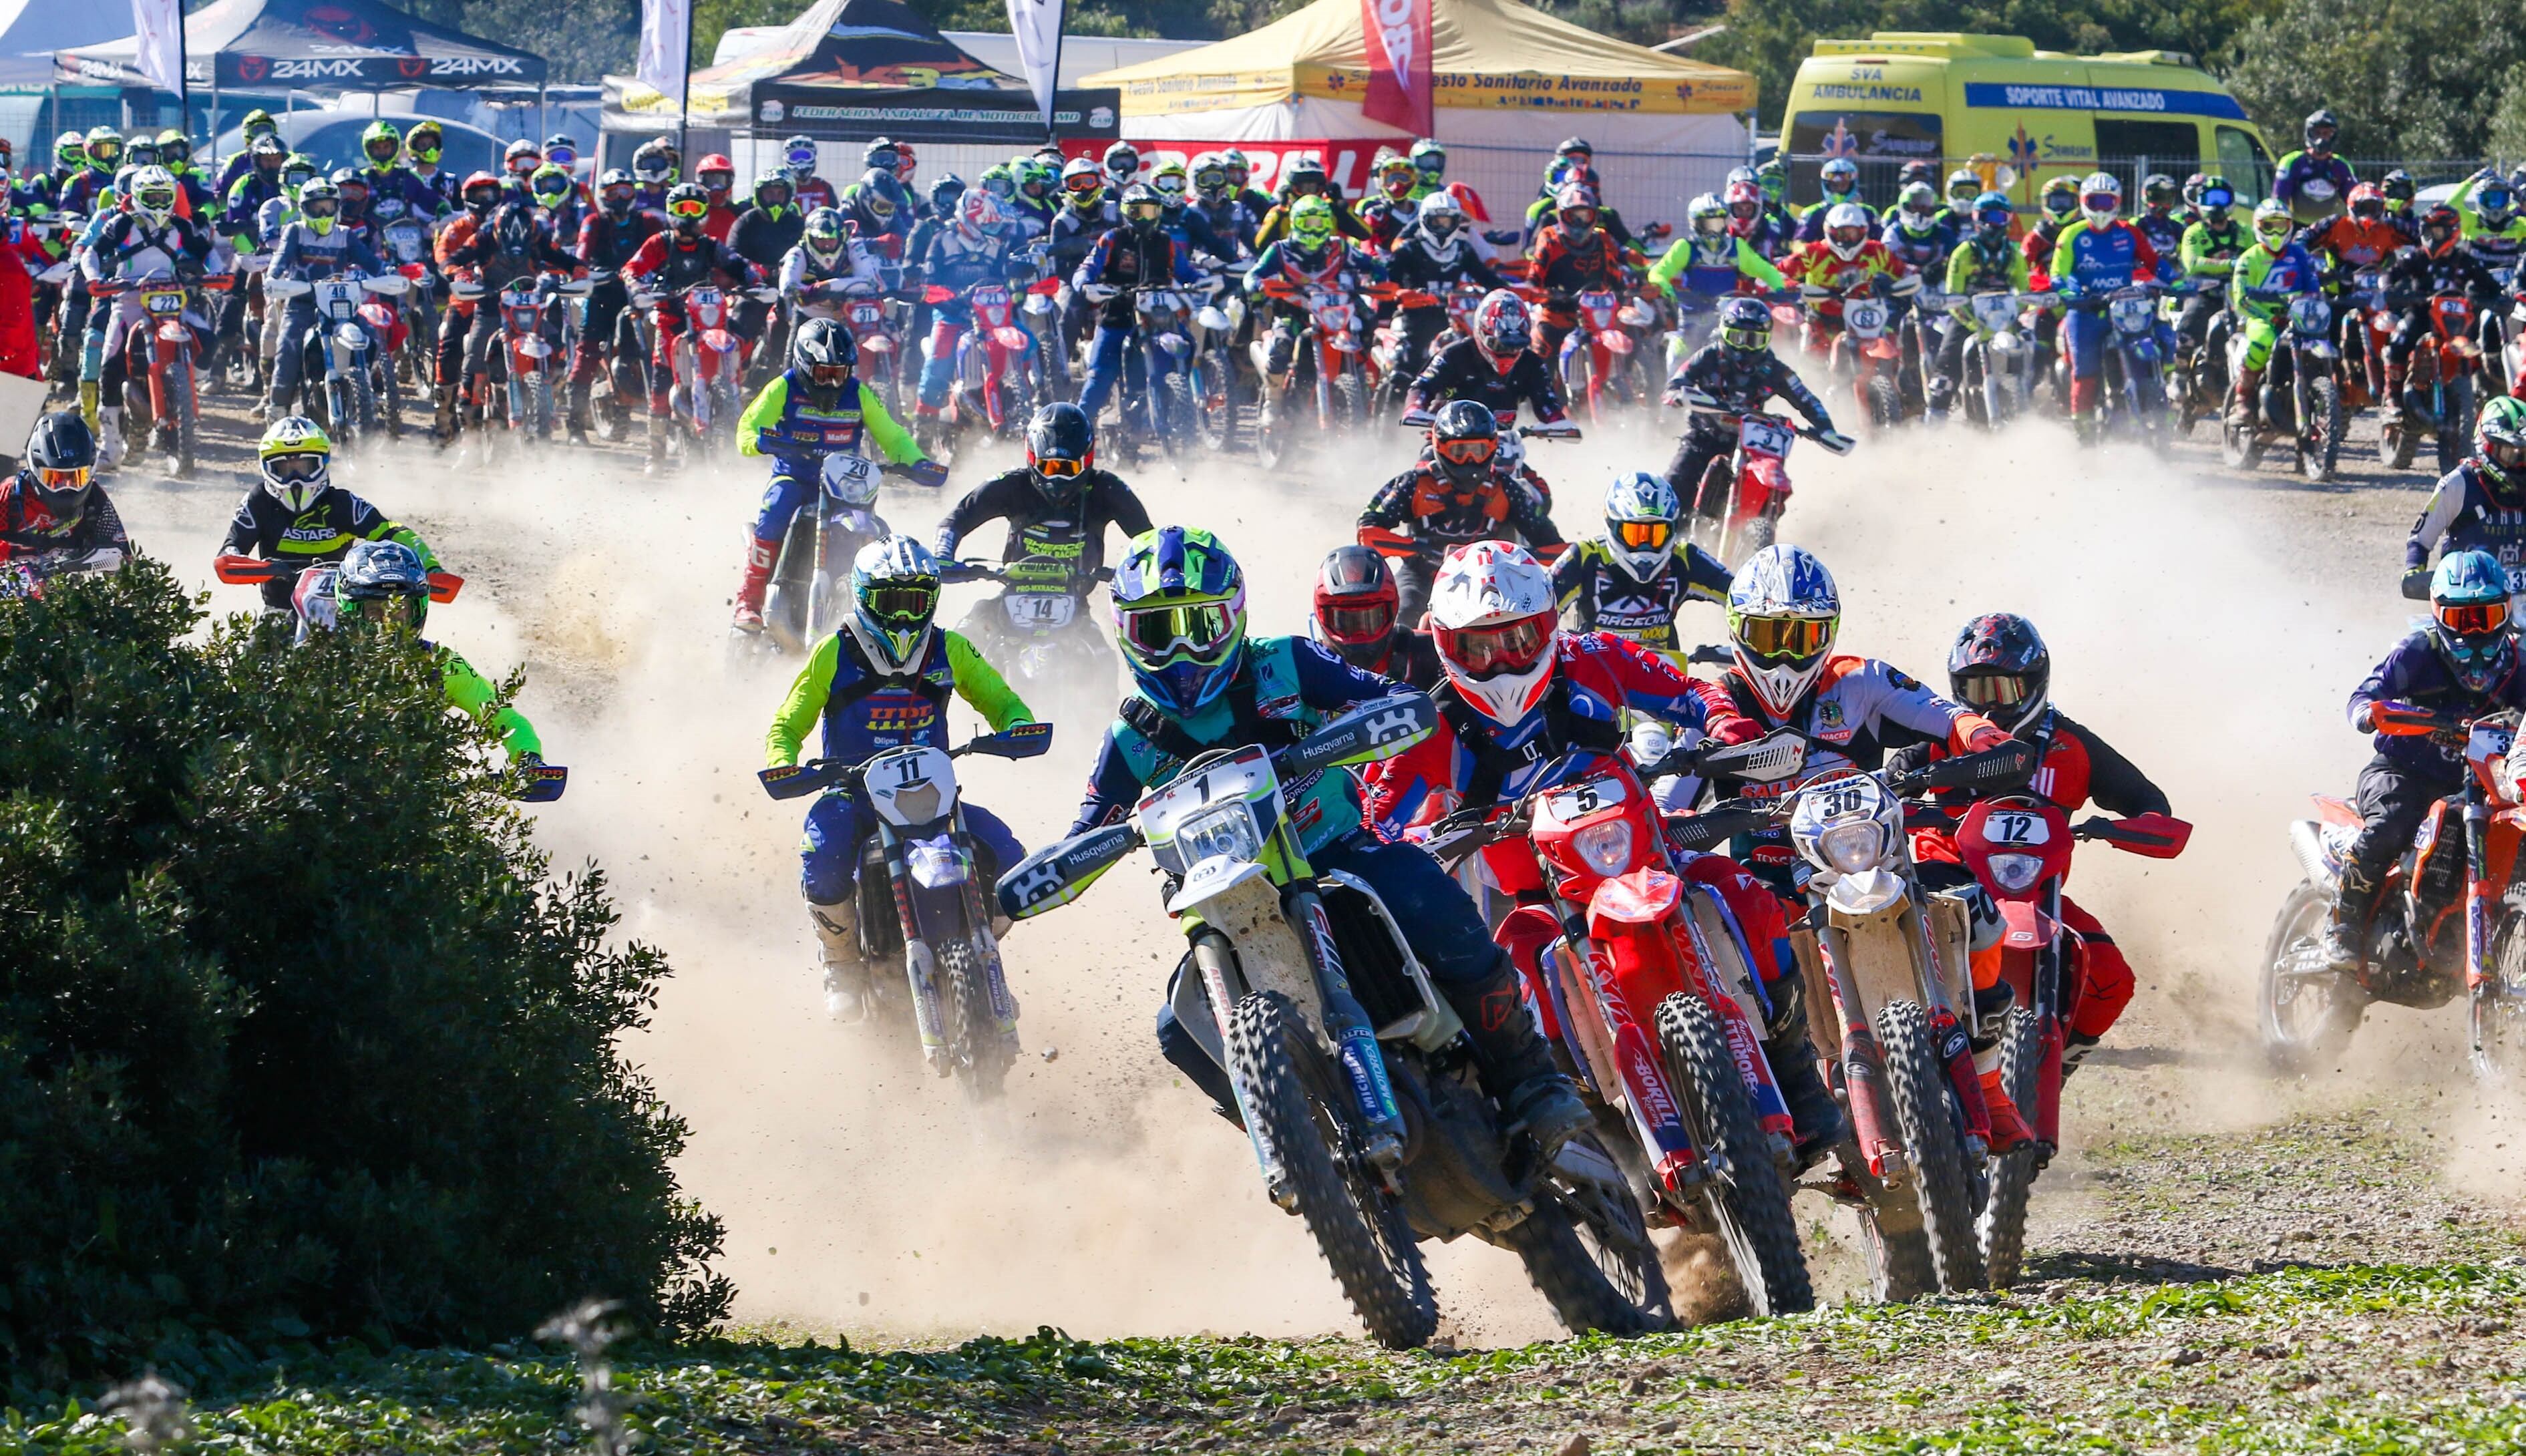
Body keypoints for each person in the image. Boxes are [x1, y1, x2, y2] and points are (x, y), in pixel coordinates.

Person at [1068, 526, 1592, 1149]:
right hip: (1224, 906)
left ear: (1232, 616)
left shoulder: (1285, 660)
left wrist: (1351, 733)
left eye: (1200, 626)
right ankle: (1307, 1148)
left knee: (1424, 893)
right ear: (1129, 635)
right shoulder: (1131, 739)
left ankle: (1531, 1075)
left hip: (1336, 849)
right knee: (1177, 1030)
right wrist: (1058, 865)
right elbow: (1089, 825)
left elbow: (1392, 697)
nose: (1183, 650)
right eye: (1160, 630)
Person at [1360, 540, 1849, 1165]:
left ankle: (1798, 1078)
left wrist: (1729, 735)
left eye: (1516, 639)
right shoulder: (1434, 724)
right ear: (1445, 646)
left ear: (1547, 626)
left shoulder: (1594, 656)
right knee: (1510, 986)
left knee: (1744, 894)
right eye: (1477, 647)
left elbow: (1693, 693)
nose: (1501, 661)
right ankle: (1605, 1141)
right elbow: (1378, 817)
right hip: (1540, 899)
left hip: (1652, 855)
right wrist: (1412, 846)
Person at [1692, 545, 2034, 1147]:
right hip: (1765, 871)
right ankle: (1758, 1114)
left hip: (1869, 852)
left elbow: (1942, 714)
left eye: (1803, 636)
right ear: (1739, 631)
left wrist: (1982, 737)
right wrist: (1679, 818)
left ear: (1829, 633)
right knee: (1728, 966)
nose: (1785, 653)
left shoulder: (1861, 680)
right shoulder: (1712, 702)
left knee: (1979, 917)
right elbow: (1671, 790)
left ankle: (1988, 1084)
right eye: (1769, 634)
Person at [763, 536, 1033, 1018]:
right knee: (823, 863)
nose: (906, 617)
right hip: (854, 795)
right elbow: (790, 720)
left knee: (1013, 861)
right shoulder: (835, 651)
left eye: (916, 603)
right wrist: (782, 756)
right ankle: (841, 962)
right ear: (865, 599)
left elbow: (1003, 701)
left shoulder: (951, 648)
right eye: (893, 603)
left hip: (933, 799)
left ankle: (980, 958)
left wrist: (1015, 727)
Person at [1907, 612, 2173, 1072]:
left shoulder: (2072, 745)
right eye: (1976, 690)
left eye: (2003, 689)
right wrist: (1901, 798)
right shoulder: (1940, 735)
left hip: (2036, 895)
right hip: (1944, 891)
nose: (1990, 705)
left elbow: (2149, 801)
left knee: (2112, 980)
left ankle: (2055, 1069)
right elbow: (1887, 786)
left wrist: (2126, 827)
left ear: (2035, 683)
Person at [2321, 550, 2526, 970]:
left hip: (2482, 785)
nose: (2473, 632)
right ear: (2438, 614)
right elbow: (2366, 695)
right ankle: (2343, 924)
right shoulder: (2417, 651)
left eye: (2484, 617)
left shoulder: (2521, 664)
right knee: (2391, 822)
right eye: (2461, 619)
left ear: (2506, 612)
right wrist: (2367, 714)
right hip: (2402, 772)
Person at [729, 318, 942, 629]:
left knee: (879, 531)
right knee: (775, 511)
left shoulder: (860, 394)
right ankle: (749, 602)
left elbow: (893, 437)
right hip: (795, 479)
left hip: (845, 487)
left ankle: (883, 607)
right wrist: (758, 442)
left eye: (839, 374)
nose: (832, 383)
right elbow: (748, 426)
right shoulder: (784, 387)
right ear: (805, 365)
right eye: (824, 373)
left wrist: (917, 462)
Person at [295, 540, 548, 771]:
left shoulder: (442, 665)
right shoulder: (318, 663)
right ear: (350, 610)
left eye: (399, 611)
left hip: (416, 801)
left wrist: (529, 759)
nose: (388, 623)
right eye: (374, 612)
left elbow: (504, 717)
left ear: (417, 610)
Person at [932, 401, 1153, 663]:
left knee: (1107, 659)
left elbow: (1149, 541)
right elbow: (955, 520)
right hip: (1010, 596)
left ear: (1088, 460)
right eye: (1048, 467)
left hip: (1075, 607)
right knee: (955, 643)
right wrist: (943, 555)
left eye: (1067, 468)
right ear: (1031, 458)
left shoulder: (1108, 489)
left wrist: (1145, 576)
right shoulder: (1012, 485)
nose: (1057, 478)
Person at [1358, 400, 1563, 628]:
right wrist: (1418, 548)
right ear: (1439, 446)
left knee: (1519, 630)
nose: (1470, 461)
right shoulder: (1414, 482)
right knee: (1398, 624)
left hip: (1491, 583)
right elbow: (1367, 531)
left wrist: (1516, 555)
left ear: (1493, 446)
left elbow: (1557, 550)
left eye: (1478, 450)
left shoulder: (1507, 488)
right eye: (1459, 452)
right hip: (1421, 576)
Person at [216, 417, 437, 613]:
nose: (295, 478)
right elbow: (228, 556)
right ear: (267, 467)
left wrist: (431, 568)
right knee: (256, 652)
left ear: (323, 463)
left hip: (342, 609)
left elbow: (392, 532)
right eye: (284, 468)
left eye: (304, 467)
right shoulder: (259, 501)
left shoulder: (343, 503)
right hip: (280, 610)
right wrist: (270, 569)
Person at [620, 182, 766, 467]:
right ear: (671, 213)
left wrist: (756, 280)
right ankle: (656, 453)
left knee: (740, 344)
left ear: (704, 213)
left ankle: (735, 424)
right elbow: (632, 269)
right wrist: (638, 287)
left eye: (695, 208)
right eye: (682, 209)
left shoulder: (711, 246)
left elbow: (739, 265)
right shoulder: (660, 243)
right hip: (672, 318)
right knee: (661, 379)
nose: (688, 215)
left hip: (708, 317)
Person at [77, 166, 216, 461]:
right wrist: (93, 277)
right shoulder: (121, 224)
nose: (158, 204)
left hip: (172, 299)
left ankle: (189, 387)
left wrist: (218, 273)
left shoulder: (181, 226)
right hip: (129, 301)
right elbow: (92, 251)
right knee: (110, 364)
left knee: (207, 337)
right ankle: (110, 445)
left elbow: (206, 251)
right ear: (137, 196)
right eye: (150, 197)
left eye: (164, 197)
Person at [432, 177, 574, 442]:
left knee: (561, 346)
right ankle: (466, 435)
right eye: (479, 194)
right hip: (488, 306)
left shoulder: (536, 233)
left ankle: (548, 400)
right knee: (471, 360)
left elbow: (561, 256)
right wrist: (456, 274)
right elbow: (452, 257)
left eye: (490, 194)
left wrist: (578, 269)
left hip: (529, 307)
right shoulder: (480, 235)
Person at [1660, 296, 1835, 510]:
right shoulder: (1708, 356)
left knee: (1772, 491)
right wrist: (1677, 394)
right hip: (1704, 437)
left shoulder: (1774, 369)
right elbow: (1677, 382)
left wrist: (1826, 429)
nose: (1746, 348)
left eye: (1754, 340)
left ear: (1766, 340)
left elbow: (1806, 399)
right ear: (1725, 334)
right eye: (1738, 338)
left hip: (1749, 445)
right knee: (1672, 488)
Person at [1550, 470, 1731, 657]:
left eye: (1656, 534)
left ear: (1671, 530)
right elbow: (1539, 606)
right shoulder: (1585, 558)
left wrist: (1744, 649)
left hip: (1665, 679)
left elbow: (1741, 595)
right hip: (1591, 678)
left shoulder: (1684, 559)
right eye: (1635, 535)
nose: (1645, 546)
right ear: (1612, 525)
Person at [1074, 183, 1203, 441]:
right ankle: (1073, 435)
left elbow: (1188, 272)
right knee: (1100, 377)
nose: (1144, 217)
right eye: (1137, 211)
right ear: (1125, 212)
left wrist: (1204, 280)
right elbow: (1088, 266)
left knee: (1187, 343)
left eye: (1150, 211)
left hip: (1158, 318)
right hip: (1117, 316)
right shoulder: (1113, 239)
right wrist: (1085, 284)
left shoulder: (1166, 242)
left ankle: (1173, 408)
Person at [2046, 172, 2161, 433]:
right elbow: (2058, 274)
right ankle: (2084, 433)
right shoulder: (2071, 234)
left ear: (2117, 203)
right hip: (2085, 312)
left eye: (2106, 202)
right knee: (2085, 373)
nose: (2100, 208)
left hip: (2123, 310)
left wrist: (2170, 283)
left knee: (2149, 350)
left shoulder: (2129, 233)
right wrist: (2071, 295)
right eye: (2094, 201)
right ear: (2084, 202)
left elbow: (2152, 265)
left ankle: (2152, 407)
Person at [2377, 205, 2504, 430]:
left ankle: (2477, 399)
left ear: (2452, 231)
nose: (2431, 235)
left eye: (2437, 231)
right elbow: (2390, 274)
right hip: (2421, 315)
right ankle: (2392, 399)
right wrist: (2389, 289)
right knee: (2398, 342)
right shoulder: (2416, 257)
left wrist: (2502, 298)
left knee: (2479, 350)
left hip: (2457, 323)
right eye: (2428, 230)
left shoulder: (2465, 260)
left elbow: (2491, 286)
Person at [913, 191, 1034, 425]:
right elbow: (928, 282)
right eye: (993, 224)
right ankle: (923, 431)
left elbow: (1002, 278)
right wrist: (952, 298)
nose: (999, 230)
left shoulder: (996, 247)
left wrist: (1018, 285)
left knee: (1028, 342)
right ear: (974, 221)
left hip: (990, 316)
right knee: (939, 362)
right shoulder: (942, 240)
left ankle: (1025, 398)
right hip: (951, 313)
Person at [1246, 194, 1379, 390]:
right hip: (1293, 310)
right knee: (1281, 346)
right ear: (1295, 223)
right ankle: (1272, 402)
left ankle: (1361, 368)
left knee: (1369, 319)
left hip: (1336, 308)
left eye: (1319, 223)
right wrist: (1257, 285)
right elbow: (1254, 274)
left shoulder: (1340, 246)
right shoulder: (1280, 249)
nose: (1314, 229)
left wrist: (1379, 278)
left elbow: (1372, 264)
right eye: (1307, 223)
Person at [2402, 397, 2526, 601]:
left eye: (2524, 455)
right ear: (2488, 446)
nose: (2519, 463)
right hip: (2469, 606)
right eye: (2510, 454)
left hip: (2520, 605)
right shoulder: (2458, 484)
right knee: (2423, 635)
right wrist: (2414, 570)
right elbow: (2420, 540)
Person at [1401, 288, 1574, 431]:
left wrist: (1556, 420)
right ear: (1482, 333)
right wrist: (1415, 407)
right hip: (1449, 442)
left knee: (1529, 474)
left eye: (1516, 346)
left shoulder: (1532, 363)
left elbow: (1547, 400)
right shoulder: (1454, 355)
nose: (1509, 353)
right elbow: (1422, 386)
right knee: (1426, 468)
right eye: (1500, 345)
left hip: (1501, 445)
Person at [1929, 191, 2033, 419]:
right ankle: (1934, 420)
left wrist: (2021, 310)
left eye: (2000, 217)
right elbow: (1953, 295)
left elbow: (2024, 293)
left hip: (2003, 321)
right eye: (1987, 217)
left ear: (2008, 220)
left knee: (2033, 349)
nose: (1993, 224)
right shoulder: (1963, 253)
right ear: (1976, 218)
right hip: (1969, 319)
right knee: (1946, 365)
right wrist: (1971, 322)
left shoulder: (2014, 255)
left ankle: (2030, 408)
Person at [1379, 192, 1503, 381]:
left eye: (1447, 222)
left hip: (1453, 317)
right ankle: (1390, 409)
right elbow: (1391, 284)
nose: (1442, 227)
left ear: (1456, 222)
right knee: (1405, 364)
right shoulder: (1409, 249)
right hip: (1415, 316)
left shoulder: (1463, 249)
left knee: (1478, 355)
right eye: (1436, 222)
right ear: (1424, 221)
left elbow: (1487, 278)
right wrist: (1398, 295)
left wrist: (1508, 292)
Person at [0, 413, 128, 595]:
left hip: (67, 599)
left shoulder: (94, 498)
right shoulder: (9, 496)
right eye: (55, 479)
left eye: (77, 478)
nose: (66, 488)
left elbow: (122, 560)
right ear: (36, 469)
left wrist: (65, 567)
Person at [2227, 199, 2324, 430]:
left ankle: (2325, 398)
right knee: (2263, 340)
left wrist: (2313, 297)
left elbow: (2313, 284)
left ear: (2290, 226)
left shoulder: (2300, 255)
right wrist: (2268, 316)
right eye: (2270, 226)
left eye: (2281, 225)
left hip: (2298, 316)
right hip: (2261, 318)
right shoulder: (2249, 258)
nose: (2276, 232)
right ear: (2258, 227)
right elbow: (2240, 299)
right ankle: (2242, 397)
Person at [1526, 183, 1639, 360]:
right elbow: (1533, 281)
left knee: (1631, 331)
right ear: (1562, 215)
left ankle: (1634, 378)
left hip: (1597, 315)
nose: (1580, 223)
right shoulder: (1549, 238)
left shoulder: (1602, 238)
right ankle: (1543, 386)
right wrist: (1550, 295)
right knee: (1542, 347)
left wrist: (1625, 296)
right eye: (1574, 216)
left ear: (1594, 216)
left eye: (1585, 216)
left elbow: (1616, 276)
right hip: (1558, 313)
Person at [1309, 543, 1439, 687]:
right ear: (1323, 616)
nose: (1359, 632)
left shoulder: (1428, 652)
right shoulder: (1304, 669)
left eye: (1369, 619)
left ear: (1391, 610)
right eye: (1346, 621)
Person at [1648, 191, 1787, 308]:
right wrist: (1666, 289)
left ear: (1726, 223)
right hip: (1691, 318)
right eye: (1707, 225)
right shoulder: (1685, 247)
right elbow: (1658, 272)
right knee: (1676, 342)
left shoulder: (1736, 247)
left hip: (1727, 319)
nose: (1713, 232)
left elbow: (1766, 270)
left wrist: (1779, 289)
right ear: (1695, 224)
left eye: (1717, 224)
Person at [2173, 175, 2249, 359]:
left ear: (2231, 202)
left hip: (2240, 294)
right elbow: (2192, 264)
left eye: (2221, 199)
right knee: (2186, 333)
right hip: (2205, 293)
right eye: (2210, 199)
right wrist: (2231, 264)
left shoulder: (2245, 231)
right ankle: (2180, 376)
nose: (2216, 205)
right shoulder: (2194, 233)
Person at [2272, 108, 2355, 226]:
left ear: (2333, 136)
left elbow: (2355, 200)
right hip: (2297, 228)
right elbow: (2279, 201)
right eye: (2317, 133)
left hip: (2331, 230)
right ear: (2309, 134)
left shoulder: (2342, 165)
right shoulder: (2292, 162)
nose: (2321, 139)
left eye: (2326, 134)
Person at [1795, 156, 1871, 242]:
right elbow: (1799, 243)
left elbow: (1881, 245)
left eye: (1843, 185)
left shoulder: (1868, 212)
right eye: (1834, 185)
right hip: (1824, 254)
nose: (1838, 189)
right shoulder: (1811, 213)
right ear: (1826, 184)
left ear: (1852, 185)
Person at [783, 135, 838, 212]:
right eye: (795, 157)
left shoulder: (825, 186)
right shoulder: (784, 188)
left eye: (806, 156)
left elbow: (834, 214)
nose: (801, 161)